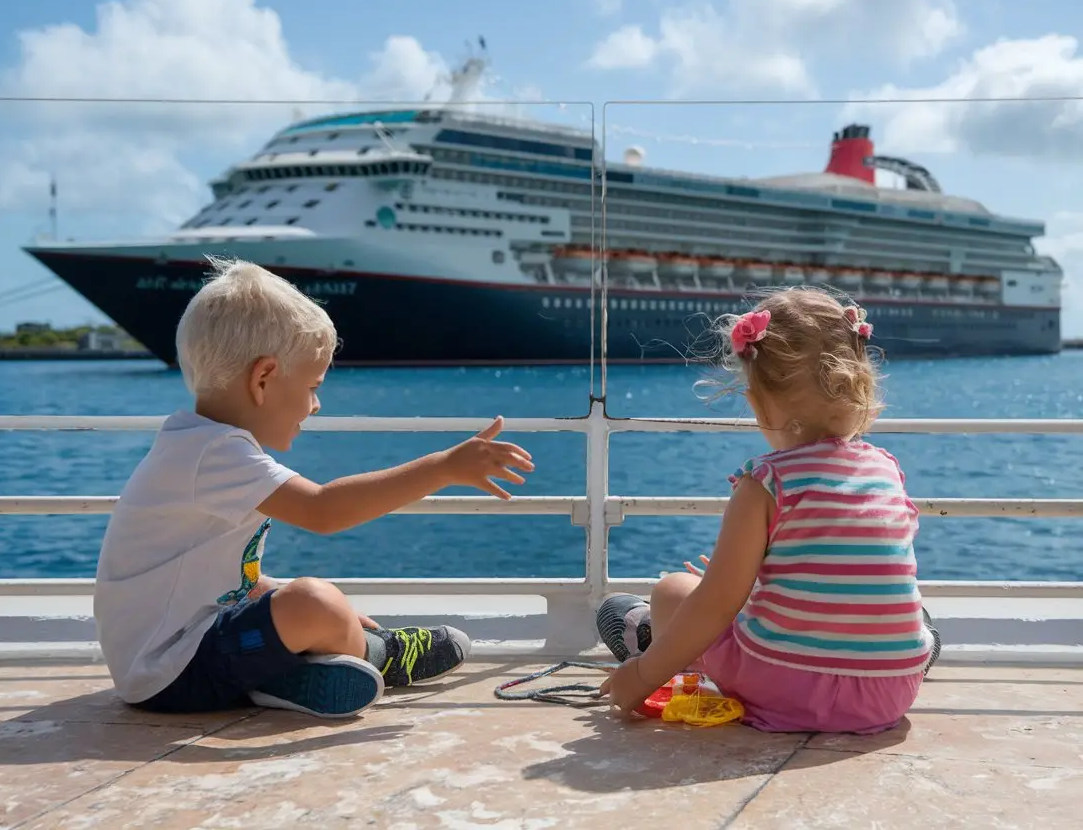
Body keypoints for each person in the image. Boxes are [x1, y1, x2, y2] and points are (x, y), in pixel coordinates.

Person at [93, 257, 534, 720]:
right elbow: (324, 510)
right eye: (312, 386)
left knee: (310, 604)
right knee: (315, 601)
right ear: (263, 379)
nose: (317, 404)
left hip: (177, 662)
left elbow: (212, 576)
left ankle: (290, 676)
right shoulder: (214, 452)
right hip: (171, 674)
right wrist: (443, 468)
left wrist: (299, 607)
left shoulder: (196, 445)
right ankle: (379, 655)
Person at [597, 287, 942, 733]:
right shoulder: (886, 470)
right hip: (888, 693)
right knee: (894, 613)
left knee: (674, 591)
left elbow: (717, 603)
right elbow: (847, 561)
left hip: (786, 689)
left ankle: (649, 645)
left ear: (759, 401)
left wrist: (641, 678)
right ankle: (916, 646)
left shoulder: (764, 482)